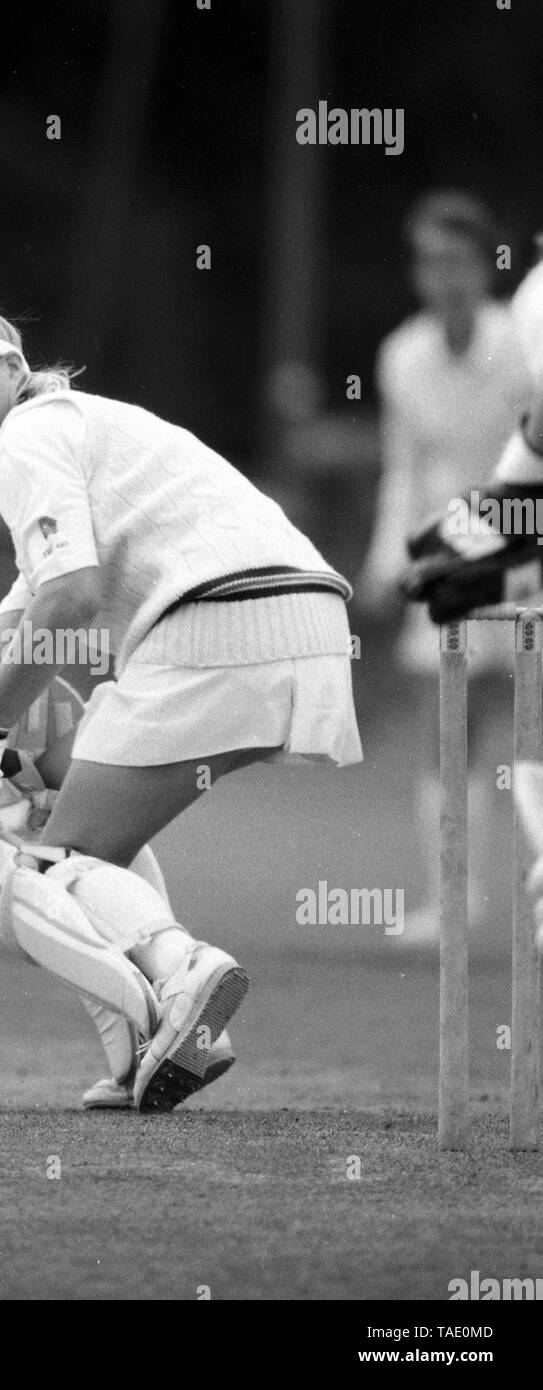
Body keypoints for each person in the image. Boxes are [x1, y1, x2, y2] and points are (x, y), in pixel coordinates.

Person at [0, 300, 362, 1112]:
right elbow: (3, 646)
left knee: (46, 866)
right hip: (296, 627)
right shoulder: (72, 437)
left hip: (220, 627)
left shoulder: (30, 439)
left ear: (10, 365)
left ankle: (182, 977)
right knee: (61, 828)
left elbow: (69, 601)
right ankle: (149, 1041)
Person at [359, 191, 535, 943]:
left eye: (457, 261)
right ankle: (452, 902)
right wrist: (382, 558)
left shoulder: (523, 341)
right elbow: (403, 465)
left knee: (526, 731)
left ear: (484, 265)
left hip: (528, 551)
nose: (443, 276)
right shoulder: (401, 354)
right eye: (429, 261)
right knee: (448, 733)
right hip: (447, 557)